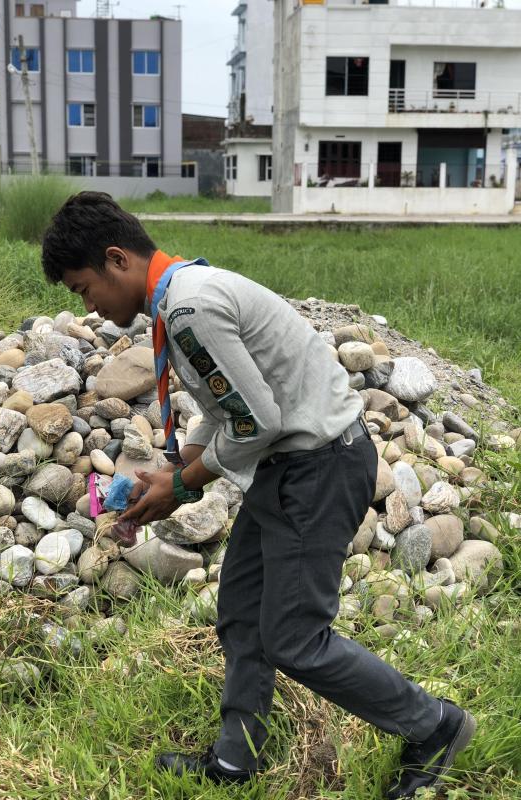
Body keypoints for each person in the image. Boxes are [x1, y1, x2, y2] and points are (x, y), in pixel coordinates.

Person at [41, 192, 476, 799]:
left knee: (296, 639)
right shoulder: (183, 294)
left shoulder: (190, 308)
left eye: (84, 288)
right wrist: (175, 469)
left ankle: (435, 726)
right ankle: (235, 757)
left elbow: (257, 421)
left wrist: (185, 482)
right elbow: (231, 408)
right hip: (288, 467)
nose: (89, 306)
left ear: (117, 260)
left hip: (319, 468)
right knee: (243, 611)